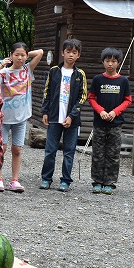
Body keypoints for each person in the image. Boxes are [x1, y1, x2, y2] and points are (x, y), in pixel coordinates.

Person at [0, 43, 44, 192]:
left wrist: (26, 53)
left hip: (21, 117)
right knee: (1, 148)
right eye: (16, 54)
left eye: (23, 55)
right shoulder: (4, 72)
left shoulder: (27, 70)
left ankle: (14, 180)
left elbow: (40, 52)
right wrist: (1, 65)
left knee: (17, 149)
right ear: (11, 55)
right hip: (3, 117)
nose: (20, 58)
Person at [39, 38, 87, 192]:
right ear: (62, 53)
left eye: (74, 52)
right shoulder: (54, 71)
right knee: (50, 151)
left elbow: (82, 97)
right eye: (68, 52)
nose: (71, 55)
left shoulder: (80, 74)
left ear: (78, 55)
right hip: (54, 117)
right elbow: (47, 92)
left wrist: (72, 116)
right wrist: (45, 111)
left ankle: (65, 181)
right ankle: (46, 178)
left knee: (69, 152)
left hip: (71, 120)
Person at [87, 47, 132, 195]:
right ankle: (97, 181)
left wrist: (114, 112)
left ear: (118, 62)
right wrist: (101, 111)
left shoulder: (123, 80)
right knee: (98, 153)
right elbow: (91, 98)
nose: (110, 64)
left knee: (113, 154)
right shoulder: (98, 79)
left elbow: (128, 100)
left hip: (116, 123)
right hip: (99, 123)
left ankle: (110, 182)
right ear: (103, 62)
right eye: (107, 61)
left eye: (113, 61)